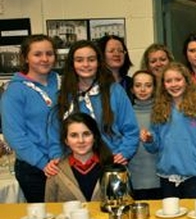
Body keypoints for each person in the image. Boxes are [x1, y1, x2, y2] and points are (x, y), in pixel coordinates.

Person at [53, 40, 139, 166]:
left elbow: (131, 130)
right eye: (79, 60)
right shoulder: (63, 95)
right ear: (72, 64)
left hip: (110, 162)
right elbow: (54, 133)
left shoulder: (115, 91)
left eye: (91, 59)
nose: (86, 64)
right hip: (73, 165)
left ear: (99, 63)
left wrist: (124, 153)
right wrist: (57, 157)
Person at [1, 34, 60, 202]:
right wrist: (43, 163)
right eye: (37, 54)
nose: (45, 59)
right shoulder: (15, 91)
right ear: (25, 58)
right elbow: (14, 135)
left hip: (62, 161)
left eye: (49, 53)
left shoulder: (62, 83)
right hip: (34, 167)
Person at [141, 62, 196, 198]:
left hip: (195, 177)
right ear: (163, 85)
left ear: (187, 81)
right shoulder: (159, 109)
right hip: (167, 177)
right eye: (169, 81)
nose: (174, 84)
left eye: (178, 79)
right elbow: (154, 147)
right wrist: (149, 140)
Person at [45, 113, 113, 202]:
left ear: (95, 137)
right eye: (74, 135)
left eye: (86, 134)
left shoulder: (112, 167)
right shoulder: (55, 170)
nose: (81, 140)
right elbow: (50, 208)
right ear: (66, 141)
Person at [129, 70, 162, 200]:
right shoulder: (126, 114)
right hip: (134, 179)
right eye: (138, 85)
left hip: (160, 179)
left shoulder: (162, 112)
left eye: (148, 85)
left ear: (154, 88)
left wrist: (150, 139)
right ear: (132, 89)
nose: (143, 89)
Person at [97, 35, 134, 100]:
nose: (117, 54)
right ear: (101, 54)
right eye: (111, 51)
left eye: (120, 51)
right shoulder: (95, 84)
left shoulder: (131, 83)